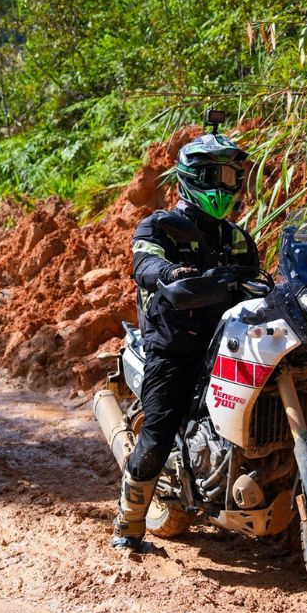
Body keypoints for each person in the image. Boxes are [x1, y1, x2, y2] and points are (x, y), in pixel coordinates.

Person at [111, 132, 260, 551]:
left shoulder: (236, 238)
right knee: (157, 434)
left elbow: (257, 284)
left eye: (233, 175)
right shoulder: (159, 225)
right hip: (172, 346)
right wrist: (167, 274)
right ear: (193, 177)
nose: (228, 184)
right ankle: (129, 523)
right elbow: (145, 262)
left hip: (225, 345)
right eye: (219, 174)